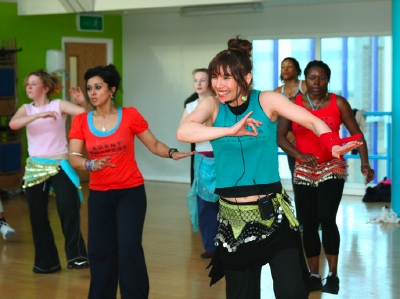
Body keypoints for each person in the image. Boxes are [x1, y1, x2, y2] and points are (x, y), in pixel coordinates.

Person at [177, 36, 361, 299]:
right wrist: (231, 130)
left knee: (291, 291)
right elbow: (183, 131)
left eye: (226, 78)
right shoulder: (212, 105)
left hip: (273, 216)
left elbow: (309, 120)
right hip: (234, 222)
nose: (219, 84)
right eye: (215, 77)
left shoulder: (266, 100)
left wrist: (330, 142)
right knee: (243, 294)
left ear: (246, 79)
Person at [67, 64, 194, 299]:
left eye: (98, 87)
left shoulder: (130, 115)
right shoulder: (81, 121)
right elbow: (73, 156)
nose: (92, 93)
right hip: (100, 194)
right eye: (89, 89)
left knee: (128, 248)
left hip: (130, 192)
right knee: (100, 251)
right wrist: (90, 164)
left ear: (112, 89)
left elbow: (154, 144)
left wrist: (172, 152)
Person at [277, 60, 375, 295]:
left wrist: (365, 163)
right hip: (303, 168)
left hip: (332, 167)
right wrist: (300, 155)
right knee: (308, 222)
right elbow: (280, 137)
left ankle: (333, 275)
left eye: (321, 78)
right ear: (305, 80)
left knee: (326, 218)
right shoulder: (293, 104)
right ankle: (313, 275)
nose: (316, 82)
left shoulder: (338, 103)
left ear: (327, 80)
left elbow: (356, 134)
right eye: (312, 78)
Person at [9, 70, 89, 273]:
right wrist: (38, 114)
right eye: (27, 83)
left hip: (60, 163)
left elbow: (84, 115)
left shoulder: (58, 105)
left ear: (45, 88)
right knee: (37, 215)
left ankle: (77, 256)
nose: (28, 86)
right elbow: (13, 124)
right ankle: (47, 262)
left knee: (68, 207)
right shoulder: (26, 108)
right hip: (35, 166)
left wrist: (82, 102)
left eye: (33, 83)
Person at [181, 68, 219, 259]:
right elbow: (182, 130)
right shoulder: (190, 105)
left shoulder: (221, 102)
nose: (198, 83)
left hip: (221, 157)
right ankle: (210, 246)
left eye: (203, 80)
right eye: (195, 80)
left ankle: (227, 244)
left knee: (224, 202)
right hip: (202, 159)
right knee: (204, 204)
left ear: (210, 82)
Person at [273, 57, 307, 228]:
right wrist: (288, 134)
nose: (285, 69)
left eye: (289, 66)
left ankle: (318, 218)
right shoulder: (277, 92)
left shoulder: (305, 86)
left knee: (314, 178)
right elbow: (273, 117)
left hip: (307, 137)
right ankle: (301, 219)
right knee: (297, 178)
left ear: (297, 69)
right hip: (290, 142)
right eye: (283, 67)